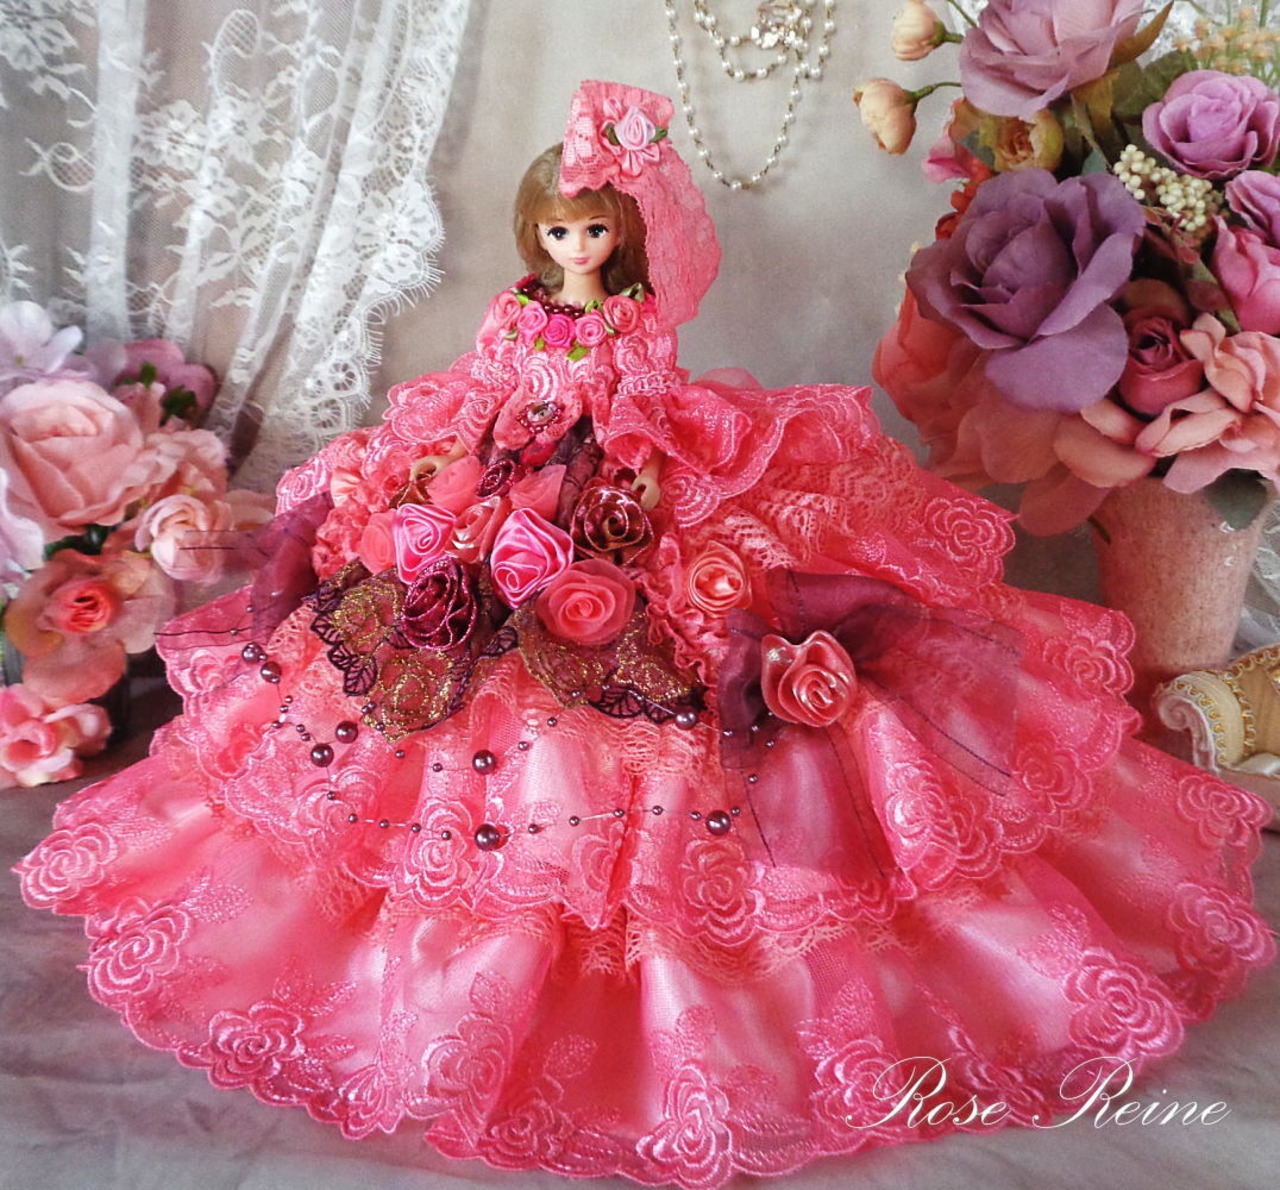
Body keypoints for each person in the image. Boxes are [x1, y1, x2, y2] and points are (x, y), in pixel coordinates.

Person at [15, 80, 1274, 1189]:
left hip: (620, 487)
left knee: (698, 659)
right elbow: (483, 394)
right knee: (441, 674)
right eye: (559, 232)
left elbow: (650, 409)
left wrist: (628, 481)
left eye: (593, 231)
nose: (575, 248)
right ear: (535, 237)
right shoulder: (520, 315)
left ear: (622, 234)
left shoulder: (629, 323)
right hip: (509, 486)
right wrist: (454, 471)